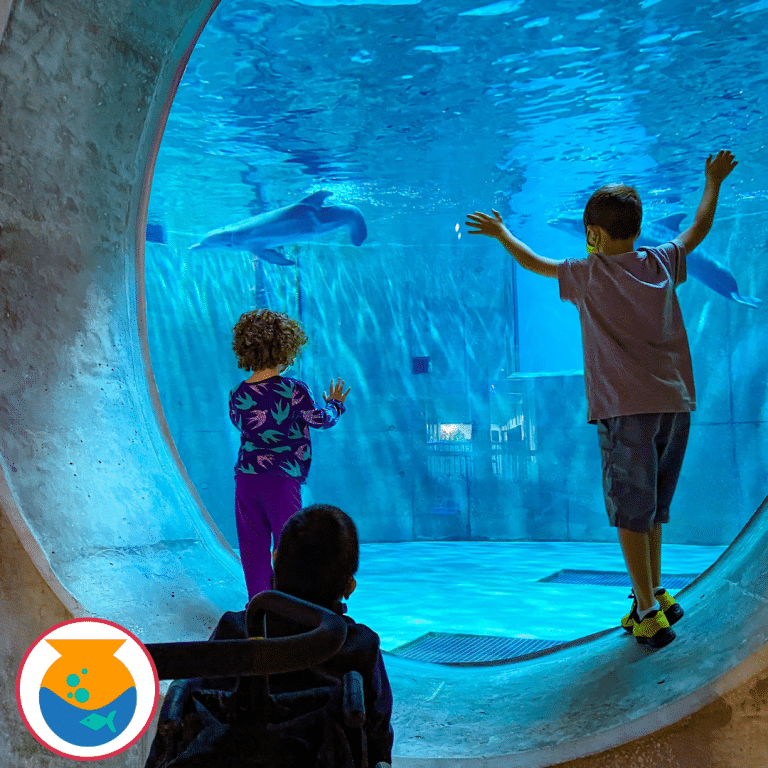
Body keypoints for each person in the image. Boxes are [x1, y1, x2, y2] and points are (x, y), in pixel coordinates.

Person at [466, 150, 738, 648]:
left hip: (625, 410)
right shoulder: (662, 261)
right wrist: (712, 181)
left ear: (591, 234)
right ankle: (653, 592)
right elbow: (697, 230)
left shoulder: (588, 275)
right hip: (674, 405)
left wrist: (503, 234)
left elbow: (536, 264)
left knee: (632, 513)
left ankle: (649, 611)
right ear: (638, 227)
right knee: (654, 507)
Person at [230, 308, 350, 599]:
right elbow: (320, 421)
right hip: (282, 480)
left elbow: (241, 425)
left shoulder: (237, 393)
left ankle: (258, 613)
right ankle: (290, 609)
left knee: (252, 550)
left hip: (246, 480)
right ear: (286, 349)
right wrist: (335, 404)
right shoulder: (294, 390)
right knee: (289, 548)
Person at [270, 503, 394, 767]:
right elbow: (378, 731)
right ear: (349, 585)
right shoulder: (361, 646)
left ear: (275, 562)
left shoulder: (235, 630)